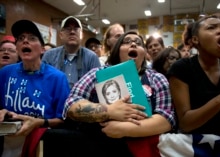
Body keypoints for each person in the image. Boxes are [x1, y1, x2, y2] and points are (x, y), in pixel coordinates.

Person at [63, 31, 175, 157]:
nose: (133, 44)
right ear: (117, 50)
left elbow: (166, 119)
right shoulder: (97, 73)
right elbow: (71, 105)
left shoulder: (156, 78)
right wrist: (108, 111)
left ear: (144, 53)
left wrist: (123, 129)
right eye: (126, 42)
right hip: (96, 148)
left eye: (138, 43)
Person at [168, 15, 220, 134]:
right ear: (196, 40)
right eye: (211, 28)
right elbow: (185, 124)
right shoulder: (181, 68)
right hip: (190, 145)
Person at [0, 19, 70, 156]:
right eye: (20, 39)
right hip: (7, 142)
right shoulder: (5, 73)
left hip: (42, 143)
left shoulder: (57, 78)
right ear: (18, 47)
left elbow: (63, 120)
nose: (25, 41)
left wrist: (38, 122)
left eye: (32, 38)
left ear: (43, 49)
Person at [42, 16, 101, 88]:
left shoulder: (92, 58)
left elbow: (98, 86)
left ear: (81, 35)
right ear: (61, 35)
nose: (72, 32)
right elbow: (42, 84)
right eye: (68, 29)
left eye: (76, 29)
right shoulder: (49, 56)